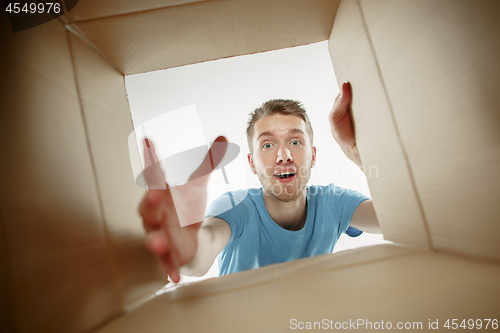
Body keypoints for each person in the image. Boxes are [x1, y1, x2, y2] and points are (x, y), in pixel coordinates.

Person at [139, 83, 381, 283]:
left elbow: (399, 217)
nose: (283, 154)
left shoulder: (334, 203)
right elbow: (208, 243)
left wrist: (356, 152)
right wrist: (188, 248)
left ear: (313, 155)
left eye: (295, 141)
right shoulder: (237, 207)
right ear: (252, 164)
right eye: (268, 144)